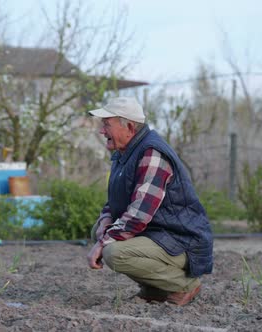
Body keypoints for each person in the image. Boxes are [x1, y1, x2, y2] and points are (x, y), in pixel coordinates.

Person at [86, 97, 213, 306]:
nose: (102, 131)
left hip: (181, 240)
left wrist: (103, 242)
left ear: (129, 126)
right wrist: (105, 220)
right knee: (99, 231)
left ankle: (183, 285)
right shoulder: (123, 154)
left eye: (107, 124)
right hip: (156, 234)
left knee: (114, 252)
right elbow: (117, 201)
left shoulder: (152, 153)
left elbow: (139, 213)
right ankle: (155, 289)